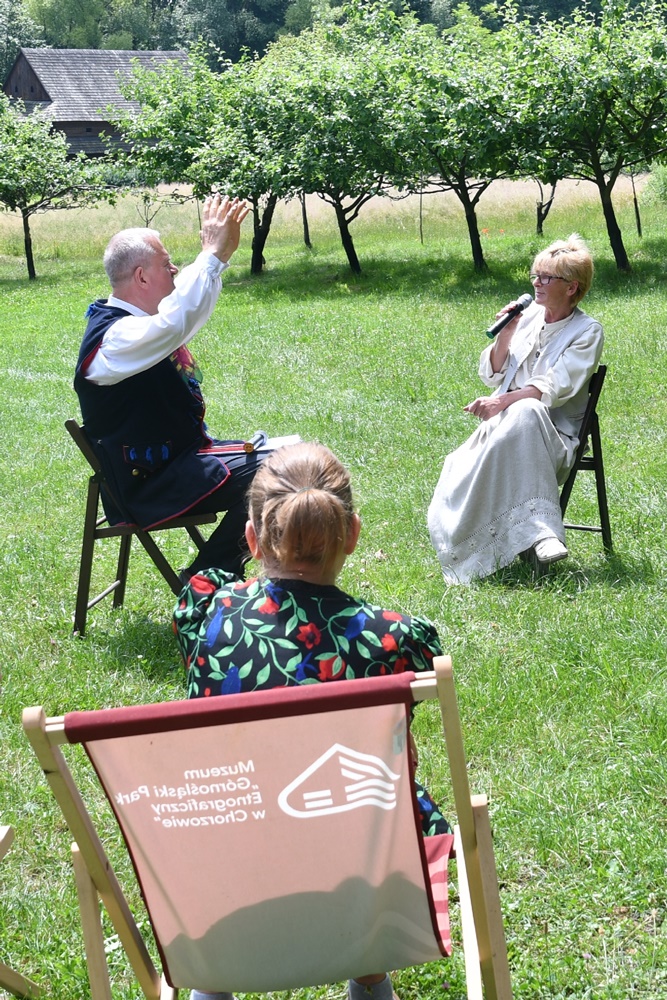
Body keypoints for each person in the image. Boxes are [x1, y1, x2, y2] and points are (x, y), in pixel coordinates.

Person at [174, 441, 450, 1000]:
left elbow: (211, 586)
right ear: (351, 534)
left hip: (227, 872)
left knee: (238, 821)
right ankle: (368, 967)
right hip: (361, 873)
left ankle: (213, 979)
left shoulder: (203, 619)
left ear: (252, 538)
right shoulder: (397, 640)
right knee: (366, 812)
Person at [74, 193, 267, 580]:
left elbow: (182, 316)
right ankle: (204, 580)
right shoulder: (116, 339)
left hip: (177, 465)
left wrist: (219, 258)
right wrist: (210, 255)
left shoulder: (137, 325)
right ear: (142, 276)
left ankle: (210, 576)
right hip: (153, 485)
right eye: (166, 264)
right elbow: (176, 322)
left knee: (291, 458)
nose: (176, 270)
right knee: (282, 472)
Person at [428, 233, 604, 583]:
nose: (536, 283)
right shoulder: (528, 318)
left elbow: (553, 388)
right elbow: (491, 374)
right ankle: (515, 541)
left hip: (551, 441)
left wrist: (502, 402)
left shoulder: (588, 331)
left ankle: (541, 533)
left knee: (528, 411)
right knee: (458, 461)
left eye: (546, 277)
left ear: (571, 287)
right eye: (535, 275)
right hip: (503, 432)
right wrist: (506, 332)